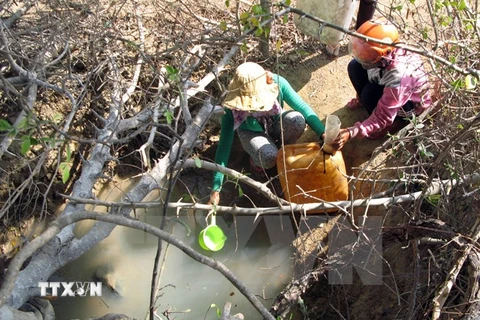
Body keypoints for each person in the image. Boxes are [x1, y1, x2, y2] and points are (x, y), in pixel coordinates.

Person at [208, 62, 325, 206]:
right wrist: (216, 188)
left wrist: (323, 133)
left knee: (297, 121)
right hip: (251, 133)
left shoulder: (277, 83)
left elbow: (302, 107)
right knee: (268, 156)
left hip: (274, 123)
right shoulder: (231, 110)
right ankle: (259, 166)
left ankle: (282, 153)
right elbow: (224, 146)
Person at [331, 18, 432, 150]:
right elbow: (367, 67)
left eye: (366, 55)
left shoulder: (398, 76)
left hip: (407, 107)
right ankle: (363, 102)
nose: (362, 57)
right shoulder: (381, 56)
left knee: (369, 93)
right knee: (354, 66)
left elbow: (383, 115)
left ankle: (391, 124)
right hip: (389, 86)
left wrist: (352, 132)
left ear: (384, 55)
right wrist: (359, 96)